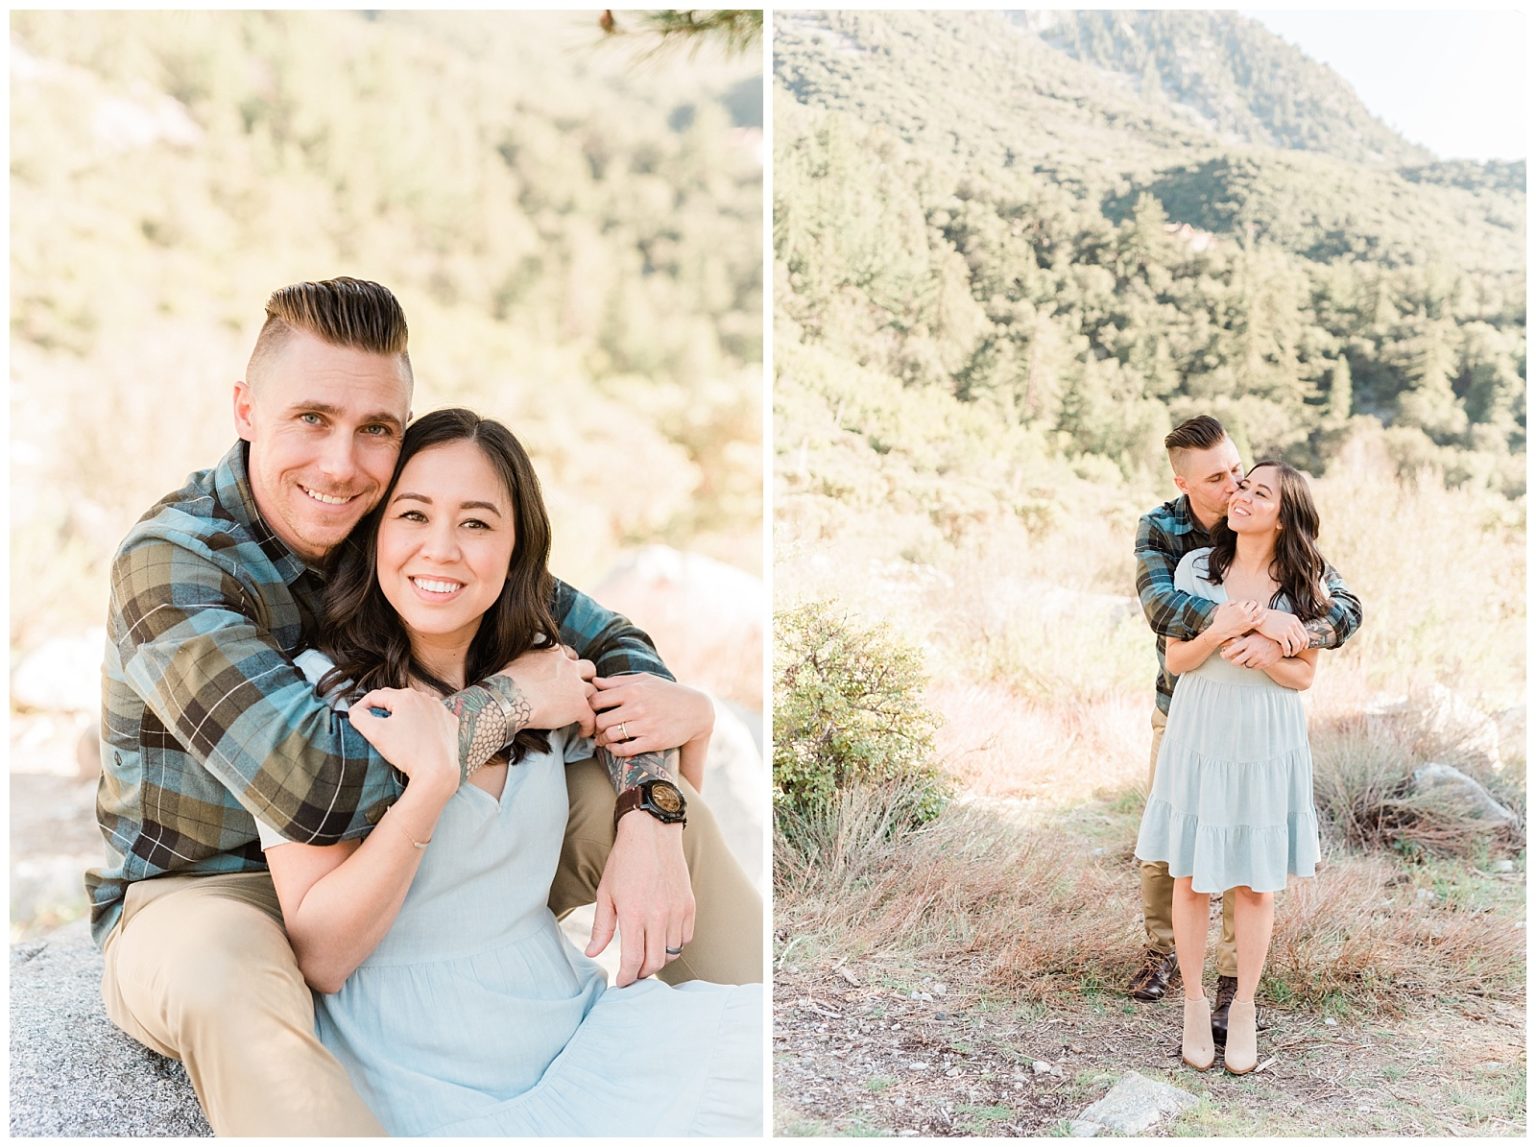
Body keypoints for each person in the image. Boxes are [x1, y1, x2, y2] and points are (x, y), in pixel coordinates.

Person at [88, 278, 761, 1135]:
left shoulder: (388, 523)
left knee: (645, 811)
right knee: (230, 983)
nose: (340, 463)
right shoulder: (175, 562)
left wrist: (652, 802)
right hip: (210, 888)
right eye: (311, 419)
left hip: (412, 860)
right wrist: (515, 698)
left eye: (375, 430)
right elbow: (316, 786)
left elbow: (610, 641)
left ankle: (759, 1052)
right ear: (246, 408)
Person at [250, 407, 761, 1135]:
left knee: (753, 1064)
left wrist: (692, 730)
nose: (441, 549)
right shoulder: (312, 692)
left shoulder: (546, 669)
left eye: (477, 523)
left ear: (519, 550)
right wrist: (429, 786)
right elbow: (322, 956)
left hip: (566, 1027)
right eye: (414, 514)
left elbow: (678, 801)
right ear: (374, 533)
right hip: (419, 1064)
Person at [1129, 415, 1361, 1049]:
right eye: (1221, 479)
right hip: (1187, 713)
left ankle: (1239, 990)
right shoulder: (1170, 536)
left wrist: (1292, 634)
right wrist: (1241, 623)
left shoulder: (1294, 563)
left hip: (1262, 731)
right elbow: (1164, 616)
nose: (1235, 486)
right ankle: (1172, 969)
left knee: (1252, 865)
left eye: (1242, 473)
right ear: (1185, 482)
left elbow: (1342, 612)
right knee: (1177, 854)